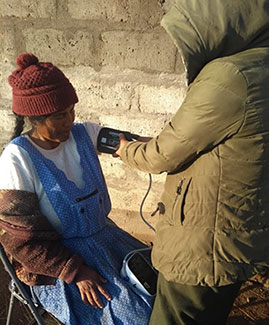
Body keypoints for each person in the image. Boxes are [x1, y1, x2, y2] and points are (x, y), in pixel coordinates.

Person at [115, 0, 269, 324]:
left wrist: (125, 149)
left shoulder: (229, 77)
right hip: (241, 235)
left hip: (203, 244)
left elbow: (162, 155)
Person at [0, 53, 154, 325]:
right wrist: (74, 271)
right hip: (58, 263)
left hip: (107, 238)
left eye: (71, 110)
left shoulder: (85, 135)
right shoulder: (18, 159)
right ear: (35, 117)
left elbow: (140, 145)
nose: (69, 120)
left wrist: (175, 147)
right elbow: (21, 243)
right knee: (138, 316)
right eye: (59, 116)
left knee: (162, 291)